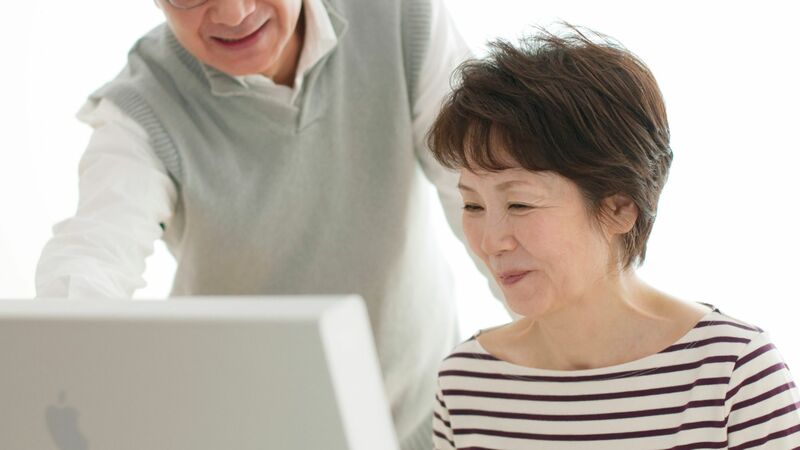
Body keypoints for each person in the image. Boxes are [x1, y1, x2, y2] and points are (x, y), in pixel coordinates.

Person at [34, 0, 487, 448]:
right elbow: (93, 256)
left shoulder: (402, 17)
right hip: (245, 430)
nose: (234, 14)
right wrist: (62, 373)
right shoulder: (142, 106)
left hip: (425, 422)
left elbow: (490, 194)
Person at [427, 25, 800, 449]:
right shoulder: (467, 383)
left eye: (520, 204)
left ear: (620, 207)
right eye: (472, 205)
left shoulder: (732, 375)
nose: (491, 241)